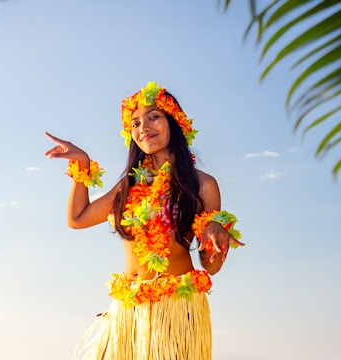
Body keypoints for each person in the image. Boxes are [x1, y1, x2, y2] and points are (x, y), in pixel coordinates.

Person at [44, 82, 244, 359]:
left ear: (174, 123)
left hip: (174, 309)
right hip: (129, 309)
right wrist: (82, 163)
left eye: (153, 117)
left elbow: (211, 266)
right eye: (135, 123)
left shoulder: (202, 185)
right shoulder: (128, 186)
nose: (143, 127)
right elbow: (78, 219)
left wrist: (216, 229)